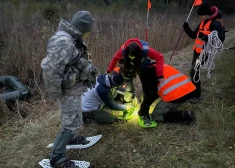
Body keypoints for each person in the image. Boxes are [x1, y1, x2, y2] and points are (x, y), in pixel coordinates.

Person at [41, 11, 98, 168]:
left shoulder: (71, 37)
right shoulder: (63, 41)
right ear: (81, 29)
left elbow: (74, 58)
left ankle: (71, 139)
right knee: (71, 123)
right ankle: (57, 158)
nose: (88, 35)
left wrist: (88, 68)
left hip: (73, 88)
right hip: (67, 90)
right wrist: (56, 92)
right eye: (87, 32)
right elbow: (49, 69)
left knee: (74, 117)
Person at [106, 38, 164, 125]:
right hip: (128, 66)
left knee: (147, 87)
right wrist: (109, 70)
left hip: (143, 66)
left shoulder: (146, 50)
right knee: (128, 86)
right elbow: (115, 59)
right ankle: (129, 105)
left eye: (134, 57)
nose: (132, 58)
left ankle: (144, 108)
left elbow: (160, 57)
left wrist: (159, 74)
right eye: (130, 56)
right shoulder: (123, 51)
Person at [183, 3, 225, 104]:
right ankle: (194, 92)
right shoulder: (202, 23)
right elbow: (194, 35)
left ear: (206, 14)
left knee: (194, 71)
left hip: (205, 52)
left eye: (201, 15)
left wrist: (206, 37)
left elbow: (219, 39)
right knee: (193, 71)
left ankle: (197, 95)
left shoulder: (215, 23)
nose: (200, 17)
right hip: (197, 51)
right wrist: (186, 28)